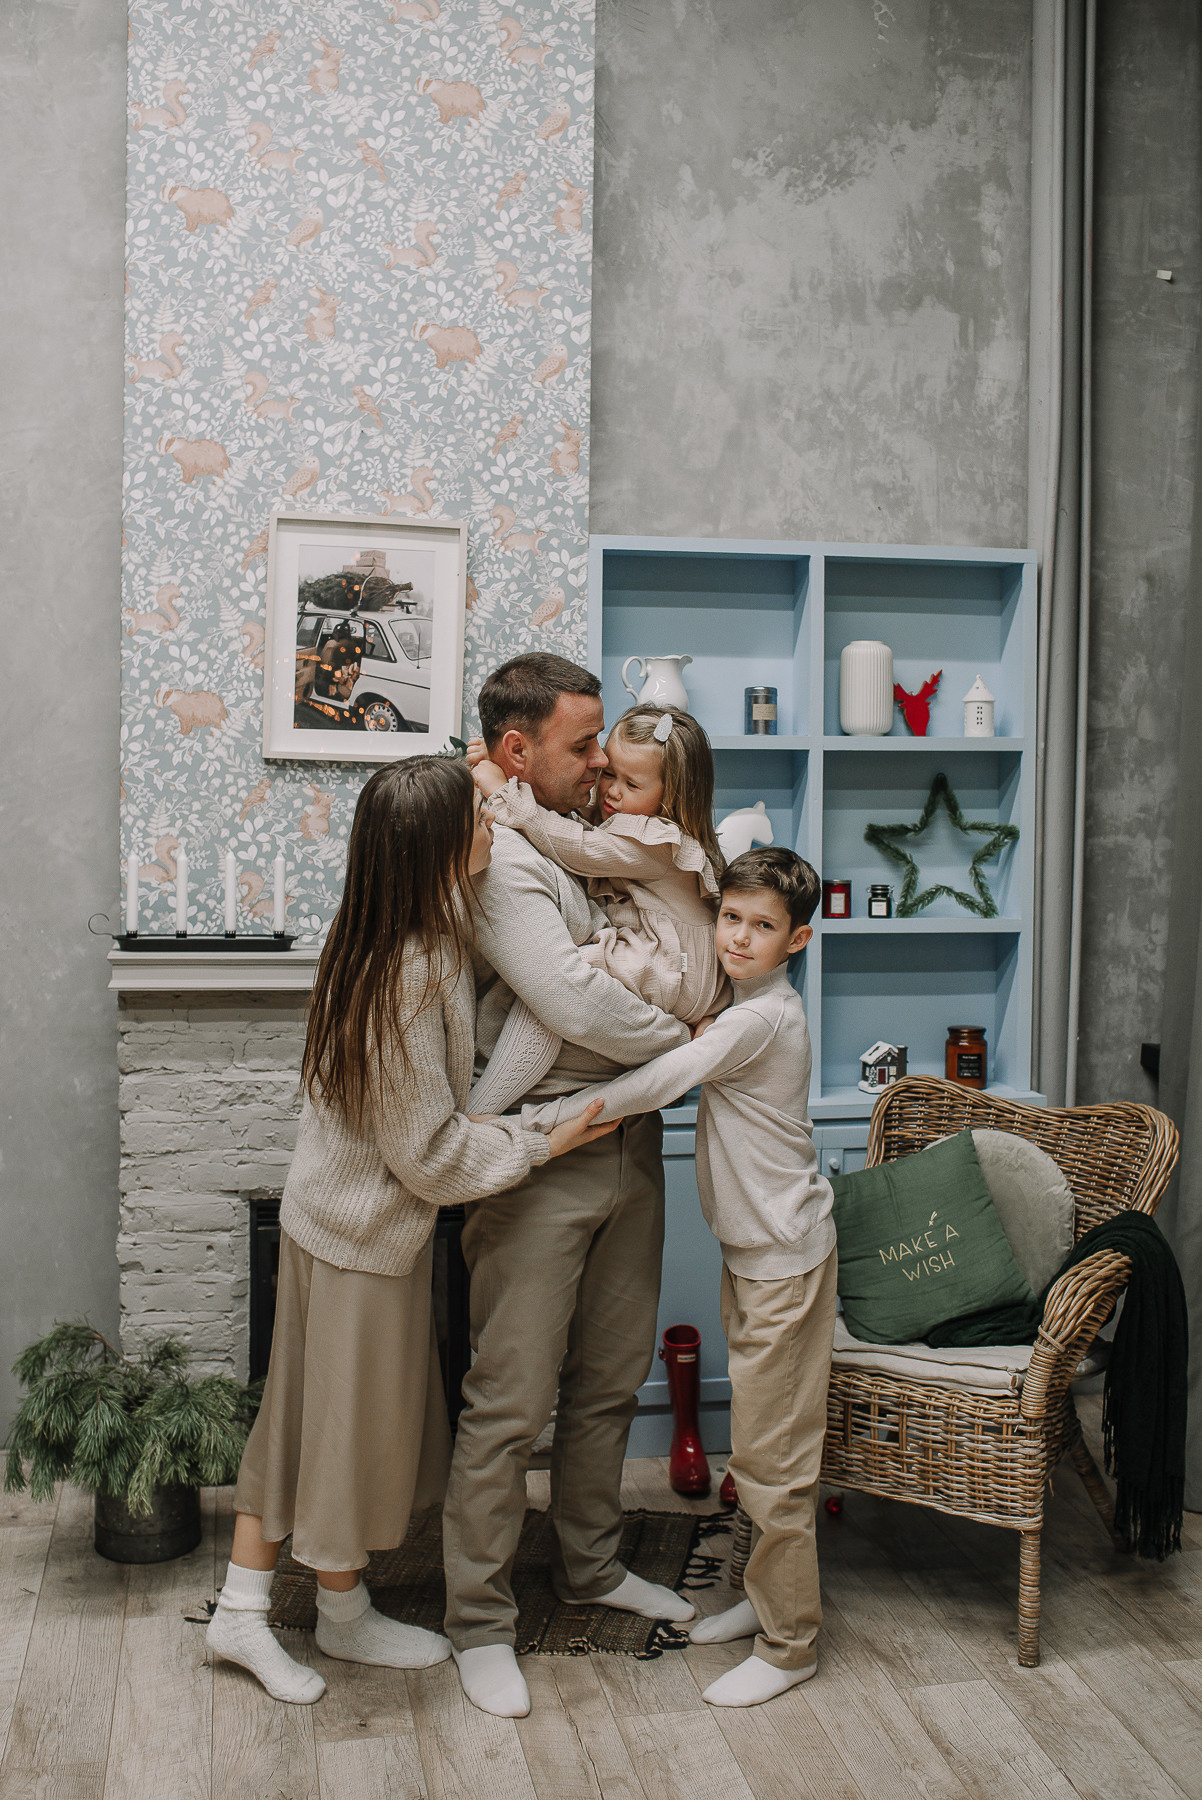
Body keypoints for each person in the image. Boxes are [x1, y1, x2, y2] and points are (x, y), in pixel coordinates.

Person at [206, 756, 617, 1706]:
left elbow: (419, 1119)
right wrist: (542, 1139)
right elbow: (427, 1157)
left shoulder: (401, 929)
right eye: (478, 814)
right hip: (359, 1235)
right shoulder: (404, 968)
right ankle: (304, 1616)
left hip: (336, 1220)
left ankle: (274, 1609)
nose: (491, 823)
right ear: (437, 848)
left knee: (304, 1424)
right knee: (338, 1435)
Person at [441, 654, 700, 1721]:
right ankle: (477, 1621)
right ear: (516, 752)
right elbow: (571, 1005)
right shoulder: (499, 855)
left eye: (602, 743)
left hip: (629, 1144)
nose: (600, 762)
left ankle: (590, 1568)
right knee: (506, 1403)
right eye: (581, 744)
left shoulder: (602, 842)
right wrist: (689, 1035)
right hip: (540, 1157)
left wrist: (661, 1057)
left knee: (606, 1380)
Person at [524, 847, 837, 1709]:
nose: (738, 936)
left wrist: (555, 1117)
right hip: (757, 1255)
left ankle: (790, 1644)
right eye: (730, 917)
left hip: (784, 1262)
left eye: (762, 927)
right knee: (759, 1447)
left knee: (775, 1462)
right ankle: (756, 1595)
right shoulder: (744, 1006)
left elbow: (664, 1078)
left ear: (797, 939)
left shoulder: (759, 1021)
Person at [464, 702, 728, 1117]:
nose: (611, 791)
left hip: (674, 967)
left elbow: (576, 845)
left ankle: (479, 1112)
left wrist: (502, 791)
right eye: (609, 773)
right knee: (560, 991)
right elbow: (574, 822)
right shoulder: (634, 821)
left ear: (672, 795)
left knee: (560, 990)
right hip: (674, 965)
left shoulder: (659, 841)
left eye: (631, 784)